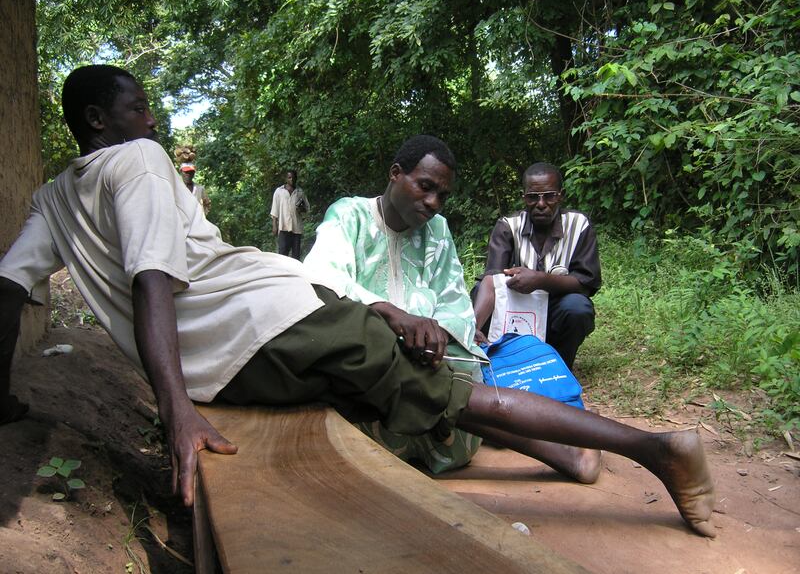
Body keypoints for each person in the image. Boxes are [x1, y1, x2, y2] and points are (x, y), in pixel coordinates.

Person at [0, 65, 715, 538]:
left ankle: (634, 450)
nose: (153, 122)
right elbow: (152, 277)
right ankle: (654, 449)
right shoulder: (140, 160)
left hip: (252, 346)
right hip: (273, 318)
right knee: (450, 399)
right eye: (139, 107)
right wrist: (176, 407)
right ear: (99, 119)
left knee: (438, 394)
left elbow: (8, 285)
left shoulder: (52, 200)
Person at [304, 135, 601, 483]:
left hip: (426, 362)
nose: (433, 203)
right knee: (422, 388)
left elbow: (454, 302)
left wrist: (437, 336)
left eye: (442, 195)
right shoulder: (349, 215)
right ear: (395, 174)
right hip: (366, 357)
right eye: (425, 187)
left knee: (450, 382)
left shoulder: (438, 230)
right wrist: (393, 315)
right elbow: (322, 277)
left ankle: (569, 450)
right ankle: (567, 452)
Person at [475, 162, 600, 370]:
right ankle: (497, 357)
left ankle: (558, 365)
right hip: (514, 319)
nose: (541, 204)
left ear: (561, 195)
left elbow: (586, 282)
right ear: (524, 197)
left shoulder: (578, 226)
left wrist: (540, 280)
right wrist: (473, 326)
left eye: (549, 196)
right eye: (533, 197)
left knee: (578, 307)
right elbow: (492, 279)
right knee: (480, 290)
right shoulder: (508, 226)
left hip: (555, 317)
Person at [270, 169, 309, 259]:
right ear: (286, 179)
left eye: (293, 177)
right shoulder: (279, 191)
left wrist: (302, 208)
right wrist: (274, 226)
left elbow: (306, 208)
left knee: (296, 256)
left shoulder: (300, 192)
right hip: (284, 228)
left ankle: (294, 272)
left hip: (296, 228)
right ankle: (283, 272)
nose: (292, 180)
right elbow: (275, 209)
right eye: (289, 177)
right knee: (283, 254)